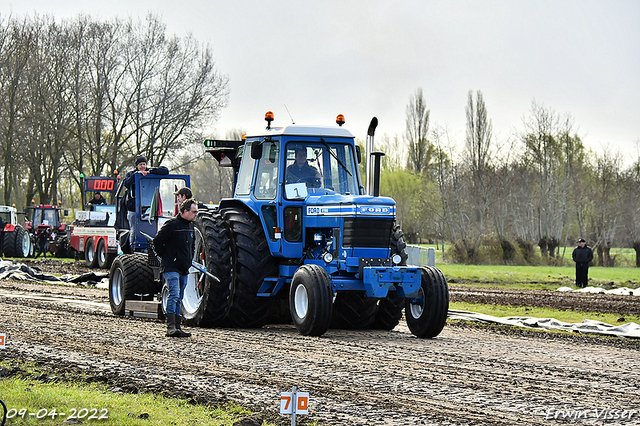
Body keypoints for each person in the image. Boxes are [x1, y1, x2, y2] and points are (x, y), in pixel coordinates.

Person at [153, 198, 198, 338]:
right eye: (194, 212)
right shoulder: (172, 224)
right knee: (174, 294)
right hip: (171, 266)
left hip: (184, 268)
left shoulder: (191, 226)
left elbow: (192, 245)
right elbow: (157, 241)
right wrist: (166, 256)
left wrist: (189, 259)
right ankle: (170, 326)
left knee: (180, 297)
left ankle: (177, 326)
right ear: (185, 211)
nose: (196, 215)